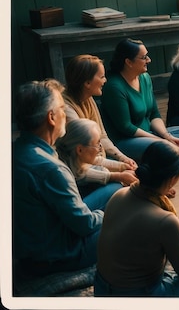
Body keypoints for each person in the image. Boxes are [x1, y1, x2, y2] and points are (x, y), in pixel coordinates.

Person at [95, 141, 179, 296]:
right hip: (141, 297)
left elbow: (149, 237)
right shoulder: (165, 221)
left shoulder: (119, 195)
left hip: (103, 290)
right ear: (173, 179)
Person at [13, 79, 104, 276]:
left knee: (113, 191)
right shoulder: (51, 168)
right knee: (127, 221)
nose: (66, 114)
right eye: (62, 108)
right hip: (59, 255)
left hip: (33, 244)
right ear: (51, 117)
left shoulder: (16, 150)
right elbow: (85, 225)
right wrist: (109, 215)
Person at [100, 38, 179, 163]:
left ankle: (155, 158)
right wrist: (159, 140)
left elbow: (154, 113)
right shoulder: (114, 87)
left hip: (149, 133)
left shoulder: (145, 77)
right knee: (177, 152)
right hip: (126, 140)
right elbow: (126, 127)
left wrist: (166, 136)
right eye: (144, 57)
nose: (149, 60)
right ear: (128, 62)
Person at [63, 54, 138, 169]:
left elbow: (102, 137)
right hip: (83, 167)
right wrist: (121, 166)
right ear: (87, 83)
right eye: (102, 77)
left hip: (99, 159)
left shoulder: (88, 98)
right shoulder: (67, 110)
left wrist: (123, 158)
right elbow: (85, 156)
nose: (105, 80)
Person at [56, 119, 137, 200]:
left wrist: (123, 166)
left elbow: (98, 160)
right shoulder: (65, 170)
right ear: (80, 150)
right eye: (97, 144)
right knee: (115, 187)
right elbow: (84, 175)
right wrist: (119, 176)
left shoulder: (73, 156)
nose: (100, 148)